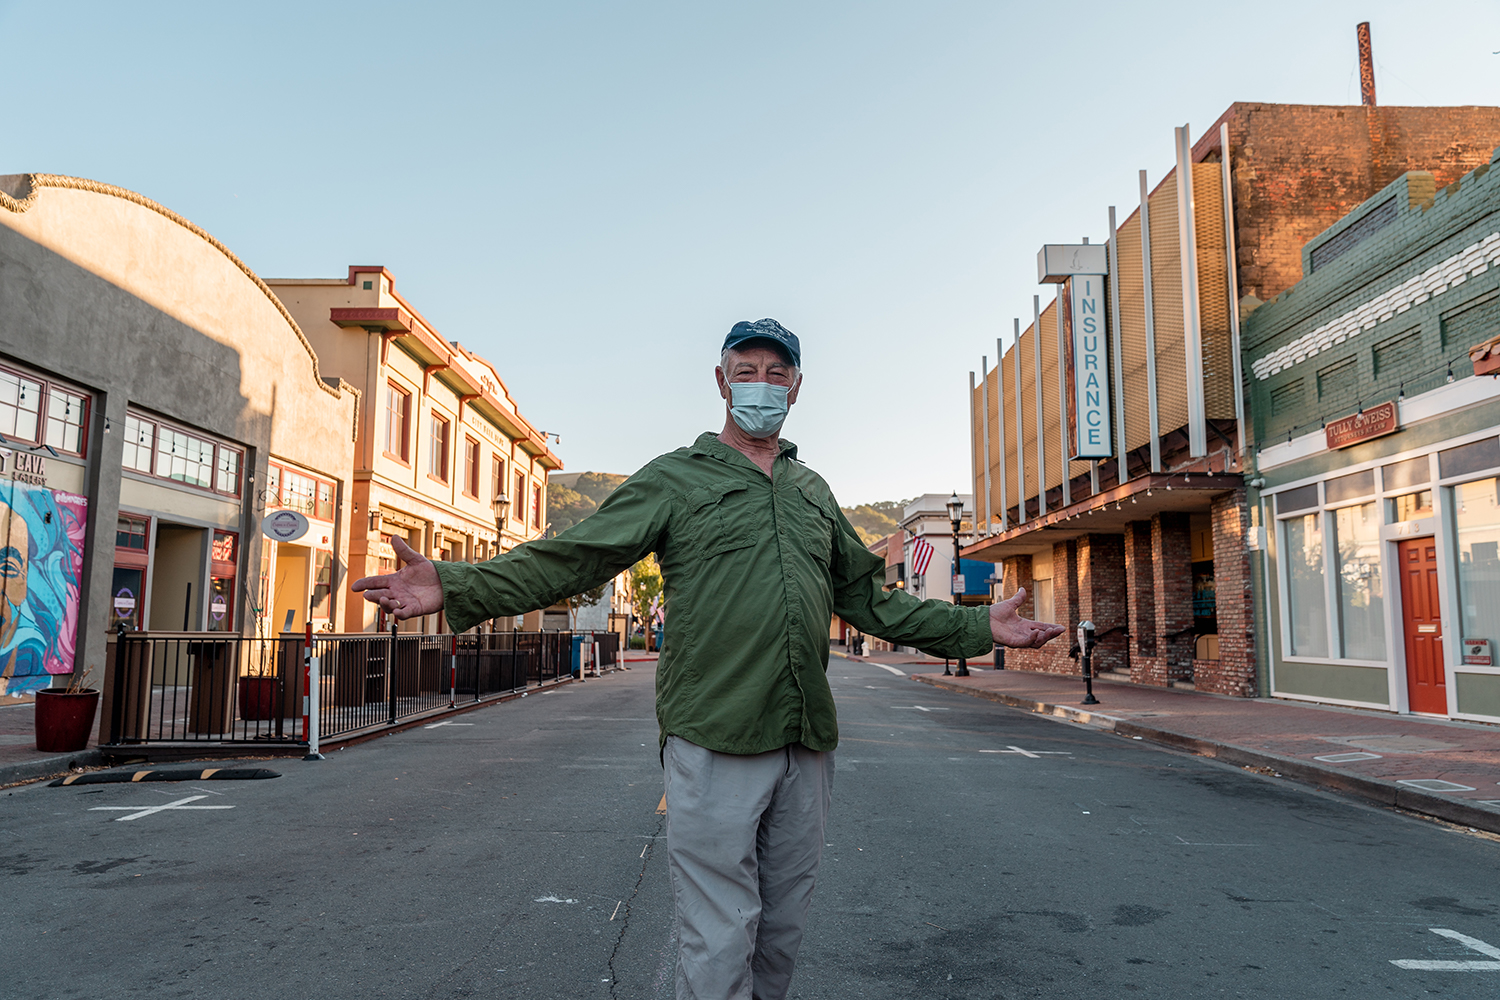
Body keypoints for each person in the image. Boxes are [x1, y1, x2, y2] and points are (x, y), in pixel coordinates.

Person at [353, 318, 1064, 999]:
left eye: (775, 374)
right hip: (715, 732)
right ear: (721, 383)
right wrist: (454, 582)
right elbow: (576, 557)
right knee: (720, 936)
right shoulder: (675, 479)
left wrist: (977, 629)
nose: (761, 384)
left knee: (780, 935)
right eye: (745, 372)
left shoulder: (813, 492)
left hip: (804, 737)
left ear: (797, 387)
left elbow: (871, 601)